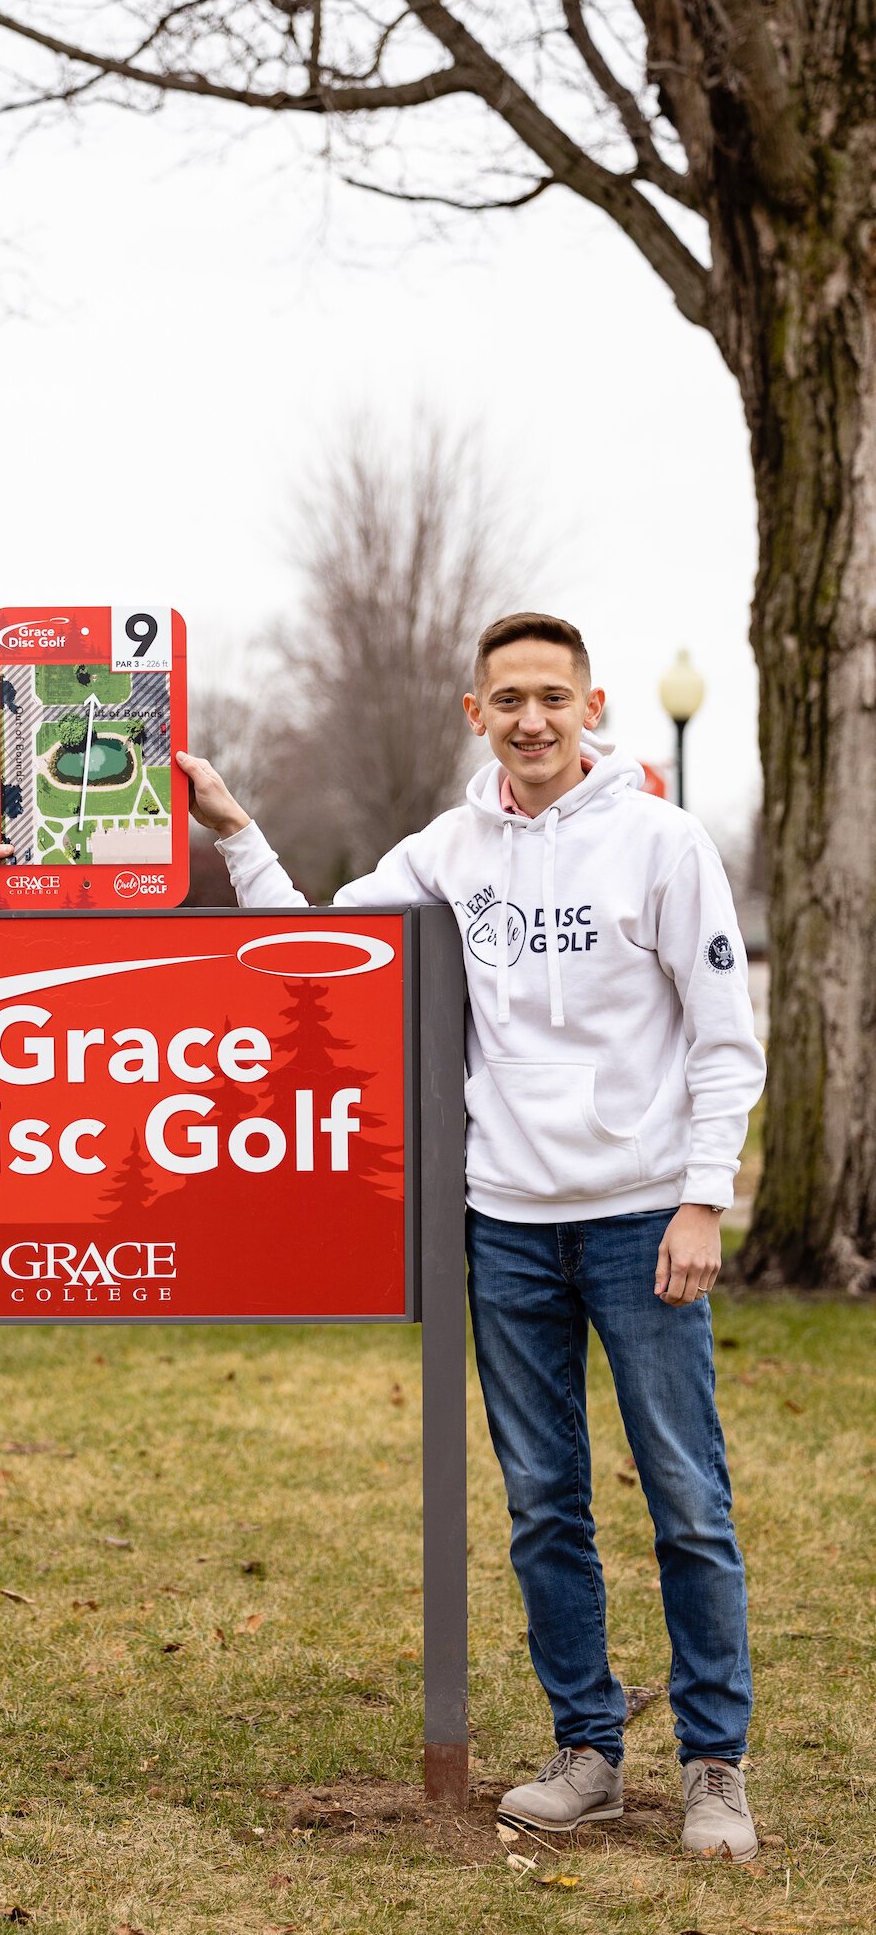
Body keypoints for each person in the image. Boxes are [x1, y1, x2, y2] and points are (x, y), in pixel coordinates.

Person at [177, 612, 766, 1863]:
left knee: (685, 1497)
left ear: (592, 705)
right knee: (544, 1501)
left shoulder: (662, 844)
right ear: (475, 713)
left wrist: (701, 1197)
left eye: (555, 697)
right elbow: (330, 947)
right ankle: (588, 1753)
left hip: (640, 1218)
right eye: (510, 700)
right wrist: (234, 831)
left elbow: (724, 1037)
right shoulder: (452, 849)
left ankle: (713, 1765)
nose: (534, 720)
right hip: (504, 1224)